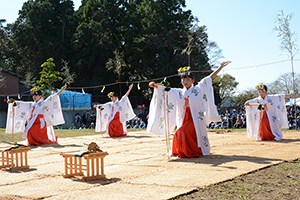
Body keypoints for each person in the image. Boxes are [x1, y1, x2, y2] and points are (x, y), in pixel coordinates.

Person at [148, 61, 231, 158]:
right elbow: (166, 89)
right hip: (184, 117)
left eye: (188, 79)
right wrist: (154, 85)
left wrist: (220, 68)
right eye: (184, 80)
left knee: (182, 132)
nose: (186, 82)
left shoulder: (198, 89)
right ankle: (185, 150)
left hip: (195, 117)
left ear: (193, 81)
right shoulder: (179, 92)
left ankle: (192, 151)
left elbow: (208, 78)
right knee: (182, 132)